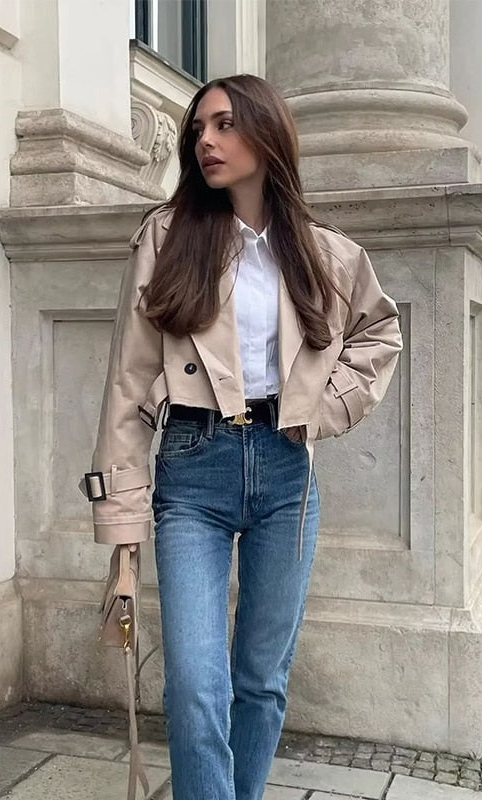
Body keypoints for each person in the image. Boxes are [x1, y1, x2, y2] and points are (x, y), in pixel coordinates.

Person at [87, 74, 402, 800]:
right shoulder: (168, 238)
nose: (206, 140)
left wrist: (323, 410)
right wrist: (124, 520)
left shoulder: (325, 254)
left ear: (267, 134)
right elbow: (129, 386)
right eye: (199, 129)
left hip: (286, 470)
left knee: (260, 679)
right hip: (192, 469)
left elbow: (380, 333)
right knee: (197, 684)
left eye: (225, 124)